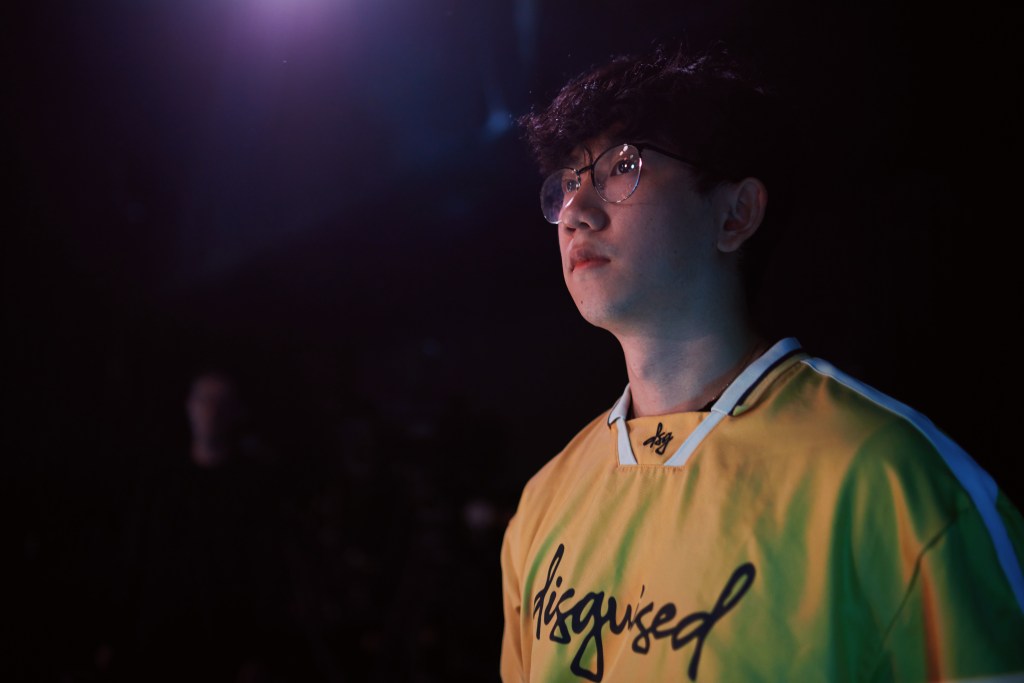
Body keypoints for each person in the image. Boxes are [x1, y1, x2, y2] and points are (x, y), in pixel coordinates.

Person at [499, 43, 1024, 682]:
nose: (576, 213)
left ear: (736, 214)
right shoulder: (542, 506)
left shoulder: (891, 480)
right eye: (567, 183)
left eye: (623, 166)